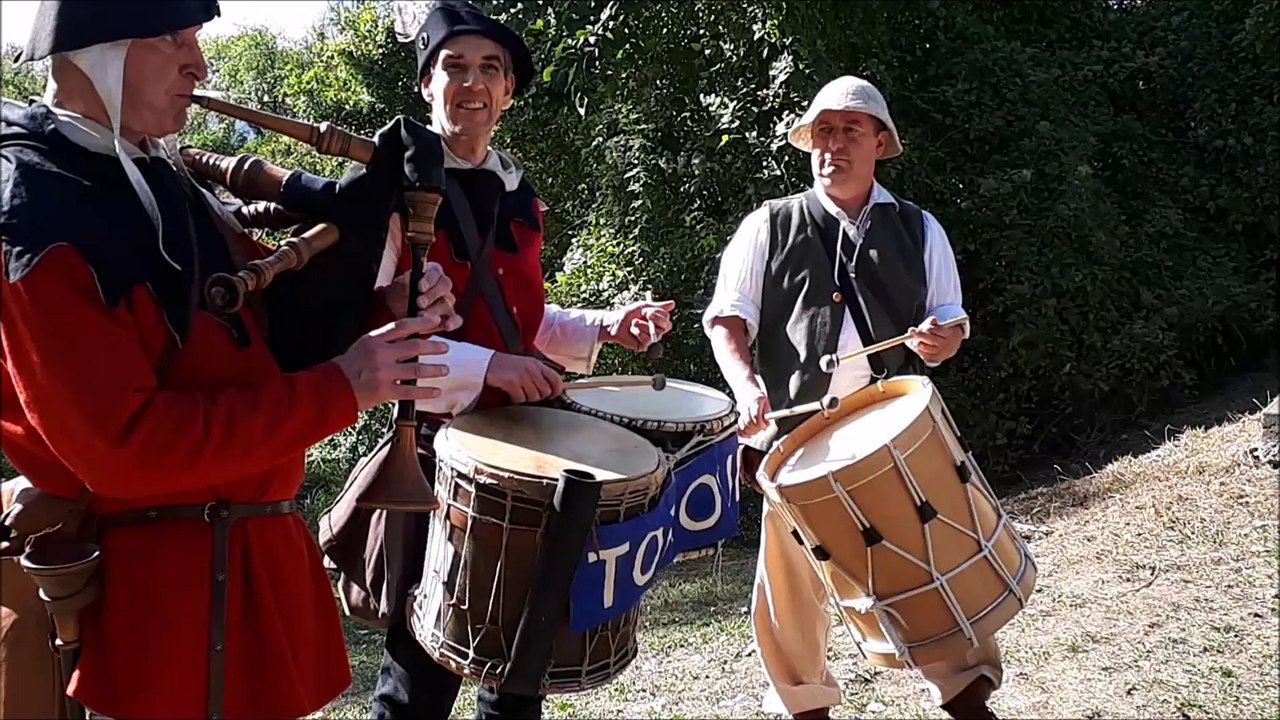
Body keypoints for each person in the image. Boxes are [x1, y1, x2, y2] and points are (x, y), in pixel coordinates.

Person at [0, 1, 463, 718]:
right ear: (99, 49)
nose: (200, 65)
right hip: (154, 610)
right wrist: (344, 387)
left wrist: (384, 309)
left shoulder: (155, 173)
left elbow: (260, 331)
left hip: (244, 571)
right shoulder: (37, 213)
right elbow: (123, 448)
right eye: (173, 38)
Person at [274, 3, 675, 719]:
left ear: (509, 91)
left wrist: (607, 326)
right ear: (427, 83)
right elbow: (379, 336)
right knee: (419, 682)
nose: (473, 82)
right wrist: (487, 368)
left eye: (491, 69)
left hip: (530, 452)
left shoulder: (519, 192)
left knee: (521, 672)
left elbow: (524, 325)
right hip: (439, 452)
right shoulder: (389, 194)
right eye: (454, 66)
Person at [702, 75, 1001, 720]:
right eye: (824, 132)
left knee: (931, 557)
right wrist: (745, 385)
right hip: (795, 437)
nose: (833, 145)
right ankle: (805, 707)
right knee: (789, 588)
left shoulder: (919, 228)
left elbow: (949, 322)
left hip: (891, 430)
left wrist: (941, 341)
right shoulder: (769, 224)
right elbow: (727, 319)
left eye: (850, 131)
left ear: (879, 142)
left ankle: (967, 698)